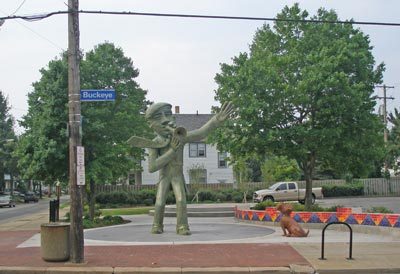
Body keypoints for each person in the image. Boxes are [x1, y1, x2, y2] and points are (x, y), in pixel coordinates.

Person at [128, 101, 233, 235]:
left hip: (177, 176)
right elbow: (152, 167)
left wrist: (216, 120)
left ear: (174, 118)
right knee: (159, 203)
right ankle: (157, 225)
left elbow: (201, 133)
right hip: (164, 177)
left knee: (181, 201)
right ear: (151, 125)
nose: (165, 120)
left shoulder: (180, 137)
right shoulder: (155, 142)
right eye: (158, 117)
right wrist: (172, 151)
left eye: (168, 115)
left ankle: (182, 226)